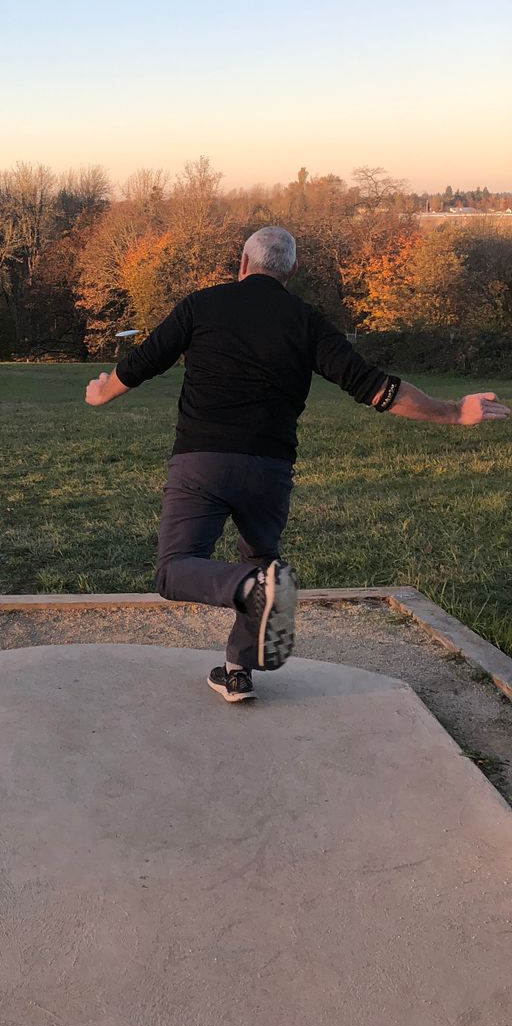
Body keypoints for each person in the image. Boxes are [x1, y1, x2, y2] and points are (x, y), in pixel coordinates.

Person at [84, 226, 508, 703]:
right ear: (292, 271)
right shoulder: (306, 321)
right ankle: (237, 670)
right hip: (269, 472)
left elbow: (144, 361)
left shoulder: (203, 305)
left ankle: (248, 588)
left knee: (175, 570)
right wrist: (453, 412)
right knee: (264, 563)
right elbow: (376, 388)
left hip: (202, 463)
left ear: (242, 262)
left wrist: (101, 393)